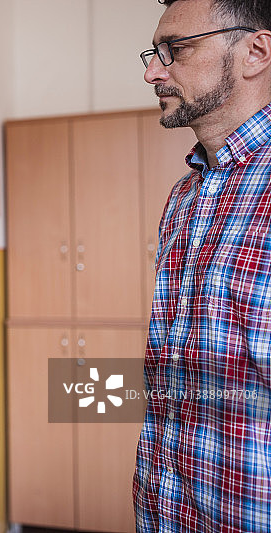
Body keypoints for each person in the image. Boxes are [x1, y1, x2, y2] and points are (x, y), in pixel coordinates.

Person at [136, 0, 271, 530]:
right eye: (153, 53)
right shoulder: (184, 196)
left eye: (176, 49)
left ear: (255, 52)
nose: (153, 72)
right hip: (165, 509)